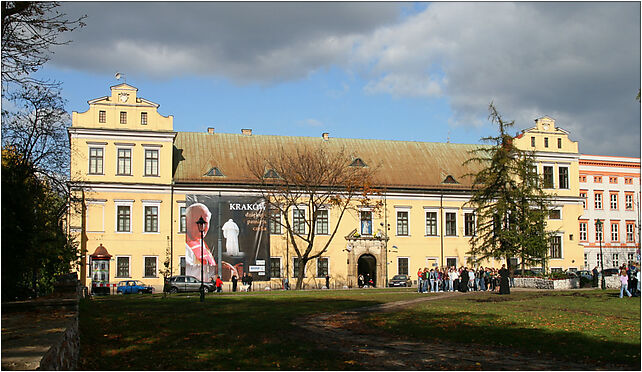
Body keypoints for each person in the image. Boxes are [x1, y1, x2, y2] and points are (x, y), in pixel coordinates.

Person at [185, 203, 217, 281]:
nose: (203, 228)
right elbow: (188, 271)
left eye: (205, 223)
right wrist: (217, 269)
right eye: (198, 223)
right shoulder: (183, 244)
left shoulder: (200, 241)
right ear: (186, 221)